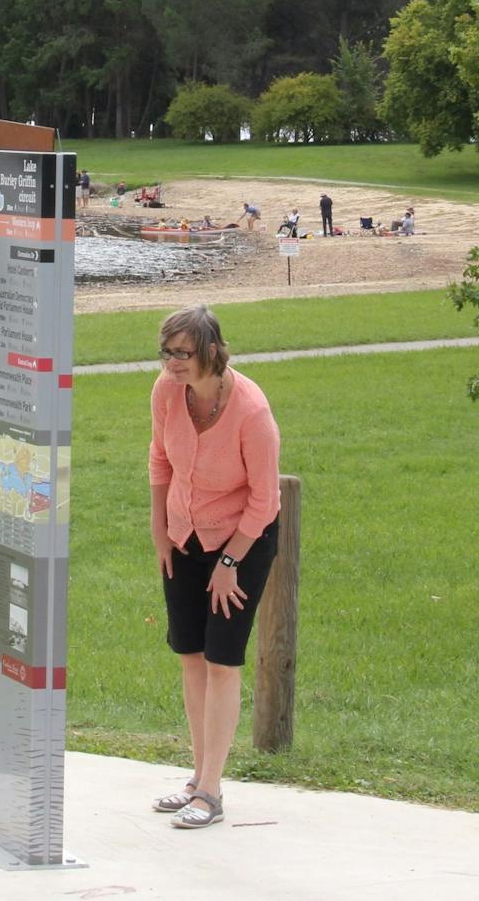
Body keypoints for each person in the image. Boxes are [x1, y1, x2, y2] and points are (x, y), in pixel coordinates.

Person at [147, 305, 281, 830]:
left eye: (182, 353)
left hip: (241, 541)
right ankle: (196, 776)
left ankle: (212, 790)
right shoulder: (164, 393)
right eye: (166, 352)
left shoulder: (251, 411)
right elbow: (159, 460)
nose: (172, 363)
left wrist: (229, 562)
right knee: (191, 656)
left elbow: (265, 501)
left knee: (223, 660)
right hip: (183, 536)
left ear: (210, 352)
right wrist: (160, 531)